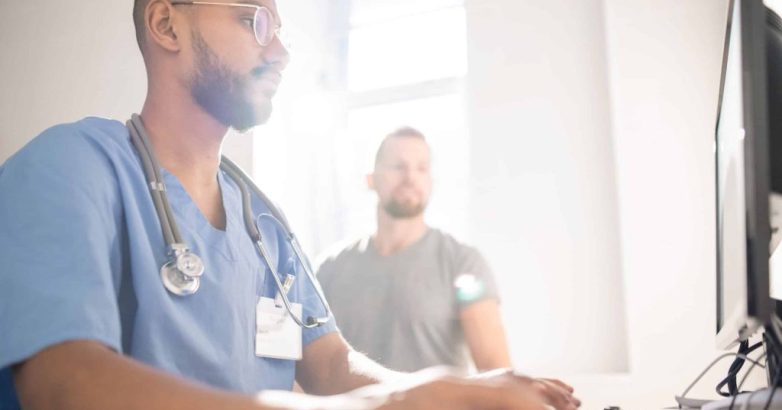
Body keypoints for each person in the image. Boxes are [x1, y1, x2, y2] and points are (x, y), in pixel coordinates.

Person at [0, 1, 580, 409]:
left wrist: (445, 390)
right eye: (254, 18)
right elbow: (64, 387)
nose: (280, 51)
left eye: (280, 28)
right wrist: (387, 405)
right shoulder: (70, 166)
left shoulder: (265, 225)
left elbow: (328, 363)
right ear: (165, 23)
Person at [317, 127, 511, 373]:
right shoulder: (330, 268)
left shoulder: (463, 264)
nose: (410, 177)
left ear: (431, 182)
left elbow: (497, 372)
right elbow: (308, 368)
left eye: (421, 168)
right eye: (398, 166)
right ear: (371, 180)